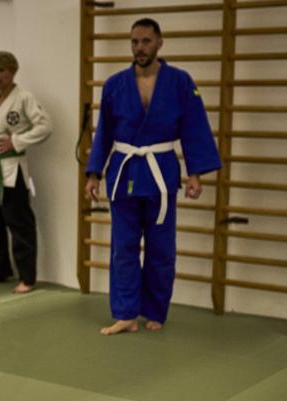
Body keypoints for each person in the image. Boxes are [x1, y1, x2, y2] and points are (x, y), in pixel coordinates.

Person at [85, 18, 220, 334]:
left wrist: (195, 174)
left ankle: (156, 310)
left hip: (160, 172)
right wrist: (93, 174)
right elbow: (103, 132)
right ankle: (126, 314)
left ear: (160, 43)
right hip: (124, 170)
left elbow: (194, 128)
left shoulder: (180, 82)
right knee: (123, 248)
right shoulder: (115, 84)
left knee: (161, 249)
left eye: (146, 41)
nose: (139, 48)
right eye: (134, 42)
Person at [0, 51, 52, 294]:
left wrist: (16, 141)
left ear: (13, 72)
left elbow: (45, 126)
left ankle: (27, 277)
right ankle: (1, 270)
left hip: (12, 170)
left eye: (1, 70)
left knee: (19, 224)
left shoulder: (24, 98)